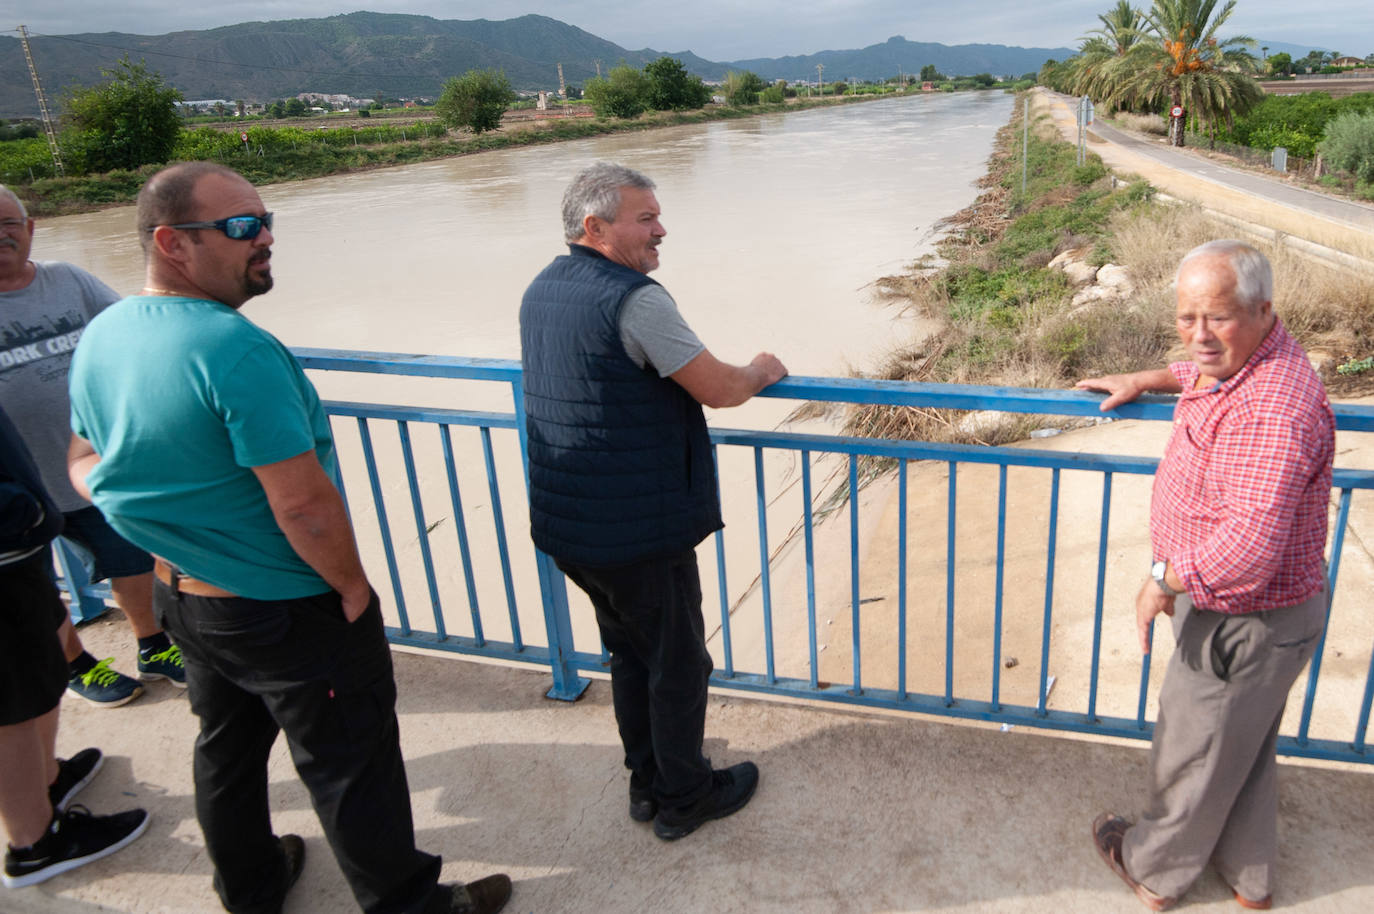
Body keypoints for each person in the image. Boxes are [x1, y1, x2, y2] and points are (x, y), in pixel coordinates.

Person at [65, 162, 510, 914]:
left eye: (267, 220)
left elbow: (82, 462)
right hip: (283, 607)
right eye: (241, 227)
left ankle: (251, 884)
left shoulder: (105, 332)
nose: (265, 237)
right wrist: (351, 588)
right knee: (351, 763)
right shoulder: (233, 350)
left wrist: (147, 515)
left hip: (183, 597)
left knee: (227, 753)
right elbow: (303, 505)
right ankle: (409, 904)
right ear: (172, 242)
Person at [519, 162, 788, 841]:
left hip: (570, 521)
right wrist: (761, 369)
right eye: (646, 218)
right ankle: (685, 795)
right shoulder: (636, 300)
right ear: (596, 226)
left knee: (630, 653)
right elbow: (718, 387)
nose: (661, 229)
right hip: (635, 527)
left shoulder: (543, 287)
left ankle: (647, 782)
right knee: (677, 661)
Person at [1076, 240, 1334, 912]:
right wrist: (1146, 379)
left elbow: (1248, 549)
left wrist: (1162, 579)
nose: (1199, 335)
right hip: (1269, 616)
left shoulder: (1271, 408)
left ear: (1261, 310)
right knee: (1240, 749)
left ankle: (1152, 870)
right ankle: (1251, 881)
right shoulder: (1254, 355)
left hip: (1243, 618)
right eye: (1186, 318)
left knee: (1189, 751)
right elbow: (1202, 366)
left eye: (1215, 319)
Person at [0, 184, 183, 707]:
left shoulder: (67, 281)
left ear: (30, 229)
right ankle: (74, 663)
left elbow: (132, 328)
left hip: (95, 467)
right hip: (15, 488)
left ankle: (152, 645)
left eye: (10, 223)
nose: (3, 236)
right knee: (33, 592)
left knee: (133, 560)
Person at [1, 402, 149, 890]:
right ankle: (36, 843)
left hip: (16, 549)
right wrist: (21, 512)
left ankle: (45, 781)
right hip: (7, 544)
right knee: (12, 707)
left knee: (41, 668)